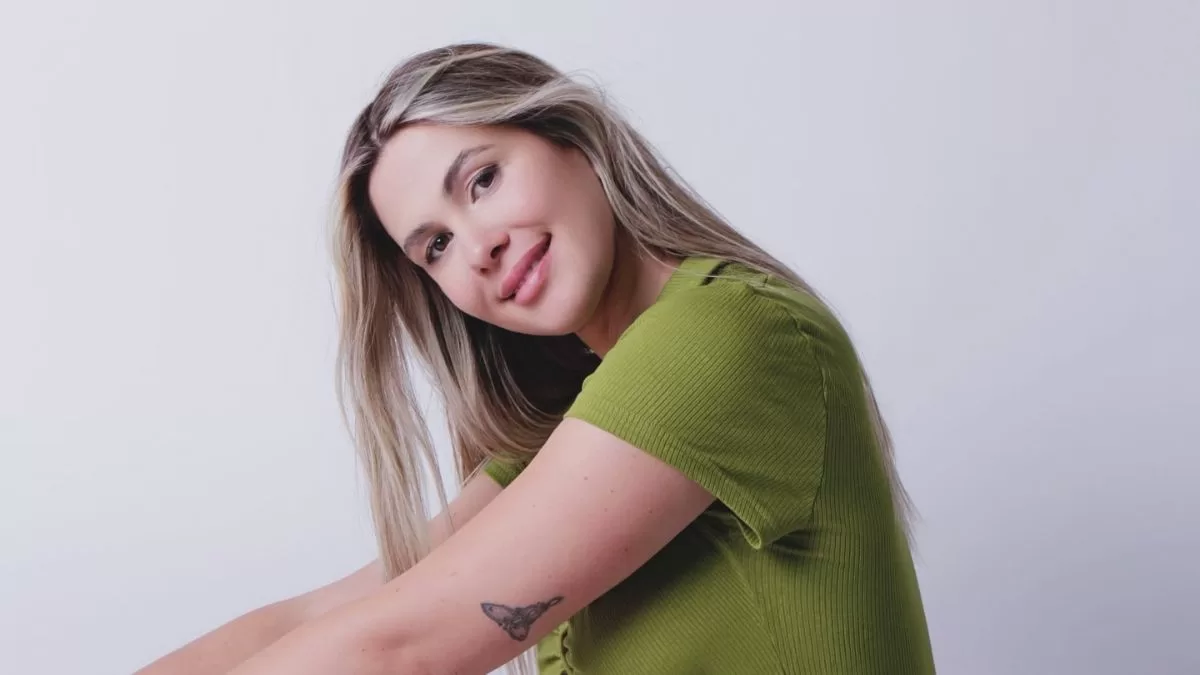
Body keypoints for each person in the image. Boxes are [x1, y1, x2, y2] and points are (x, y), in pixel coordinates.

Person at [136, 42, 934, 675]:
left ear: (573, 141)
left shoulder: (727, 331)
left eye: (482, 180)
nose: (477, 247)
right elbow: (325, 614)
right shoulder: (572, 423)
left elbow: (400, 647)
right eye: (436, 245)